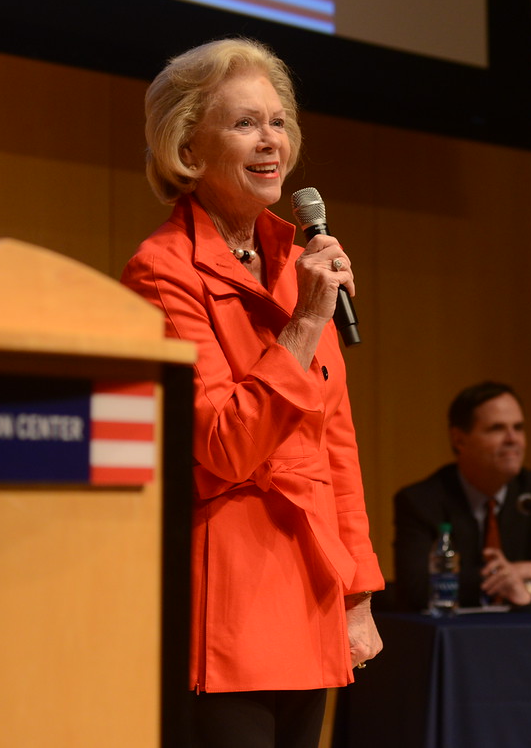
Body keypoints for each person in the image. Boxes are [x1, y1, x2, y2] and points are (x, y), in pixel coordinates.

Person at [121, 37, 384, 748]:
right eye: (244, 123)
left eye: (278, 122)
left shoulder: (298, 260)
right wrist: (304, 323)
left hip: (313, 587)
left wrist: (356, 593)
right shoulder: (161, 271)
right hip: (229, 593)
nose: (270, 141)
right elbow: (222, 446)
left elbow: (336, 446)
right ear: (187, 146)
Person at [392, 381, 531, 611]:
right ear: (459, 440)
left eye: (518, 427)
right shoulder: (422, 500)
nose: (512, 439)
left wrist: (524, 578)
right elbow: (415, 589)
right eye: (497, 428)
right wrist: (512, 577)